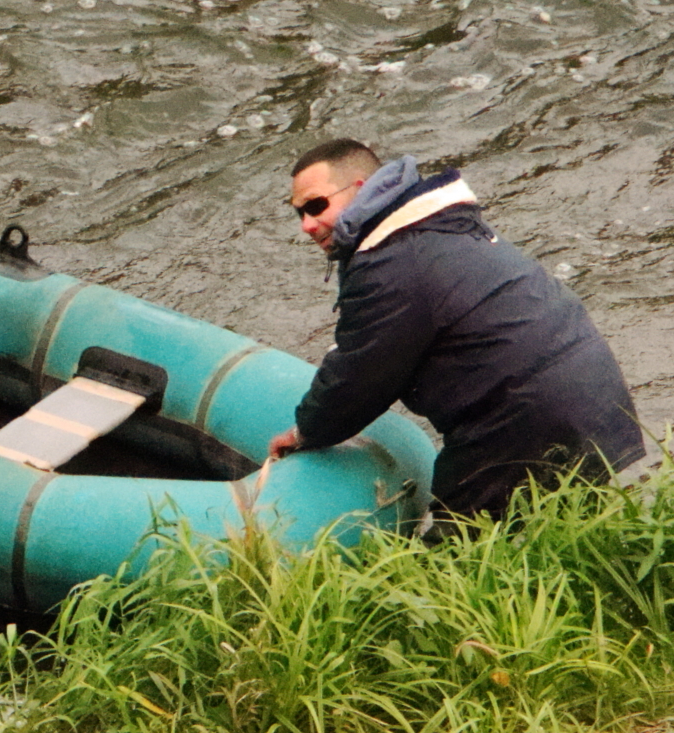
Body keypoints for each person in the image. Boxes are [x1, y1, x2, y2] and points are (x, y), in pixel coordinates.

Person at [269, 138, 643, 526]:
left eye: (315, 206)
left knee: (453, 559)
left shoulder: (392, 261)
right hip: (596, 396)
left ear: (361, 188)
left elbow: (359, 375)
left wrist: (305, 432)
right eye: (299, 213)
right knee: (568, 533)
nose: (307, 226)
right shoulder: (444, 223)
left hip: (520, 420)